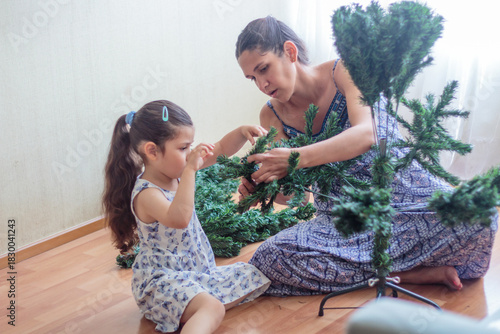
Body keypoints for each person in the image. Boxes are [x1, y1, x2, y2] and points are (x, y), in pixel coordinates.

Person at [234, 16, 498, 296]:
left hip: (407, 196)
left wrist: (295, 157)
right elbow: (299, 198)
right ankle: (404, 273)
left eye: (264, 69)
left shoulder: (348, 69)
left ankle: (377, 268)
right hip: (342, 220)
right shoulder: (271, 114)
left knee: (480, 216)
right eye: (253, 78)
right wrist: (265, 187)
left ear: (289, 52)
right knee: (270, 257)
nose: (262, 83)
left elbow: (367, 133)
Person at [102, 100, 270, 333]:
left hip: (195, 273)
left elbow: (219, 148)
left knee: (252, 276)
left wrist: (242, 132)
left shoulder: (176, 171)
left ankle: (190, 307)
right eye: (183, 148)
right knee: (213, 308)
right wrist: (190, 169)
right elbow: (179, 218)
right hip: (162, 281)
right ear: (152, 151)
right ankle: (192, 309)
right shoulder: (147, 193)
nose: (189, 154)